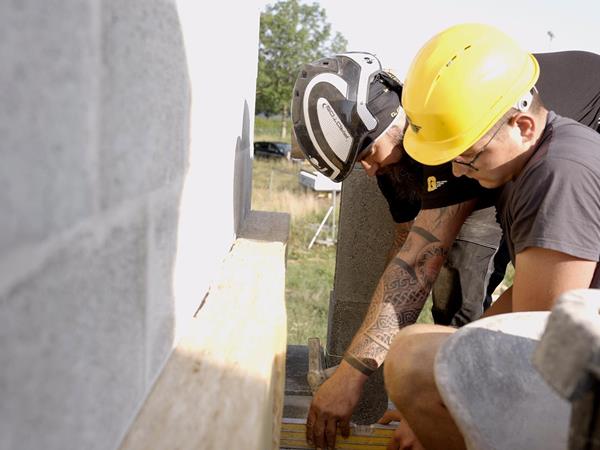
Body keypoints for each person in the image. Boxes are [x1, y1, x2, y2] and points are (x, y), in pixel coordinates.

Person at [291, 44, 600, 449]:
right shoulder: (438, 162)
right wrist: (435, 390)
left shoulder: (513, 157)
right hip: (523, 163)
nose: (368, 170)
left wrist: (448, 402)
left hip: (563, 158)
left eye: (366, 153)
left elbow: (537, 330)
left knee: (495, 310)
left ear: (393, 120)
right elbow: (409, 258)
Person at [381, 23, 600, 449]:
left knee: (412, 361)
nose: (459, 172)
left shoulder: (558, 175)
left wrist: (447, 404)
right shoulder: (532, 160)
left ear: (522, 125)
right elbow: (525, 299)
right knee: (436, 356)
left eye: (467, 156)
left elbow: (535, 345)